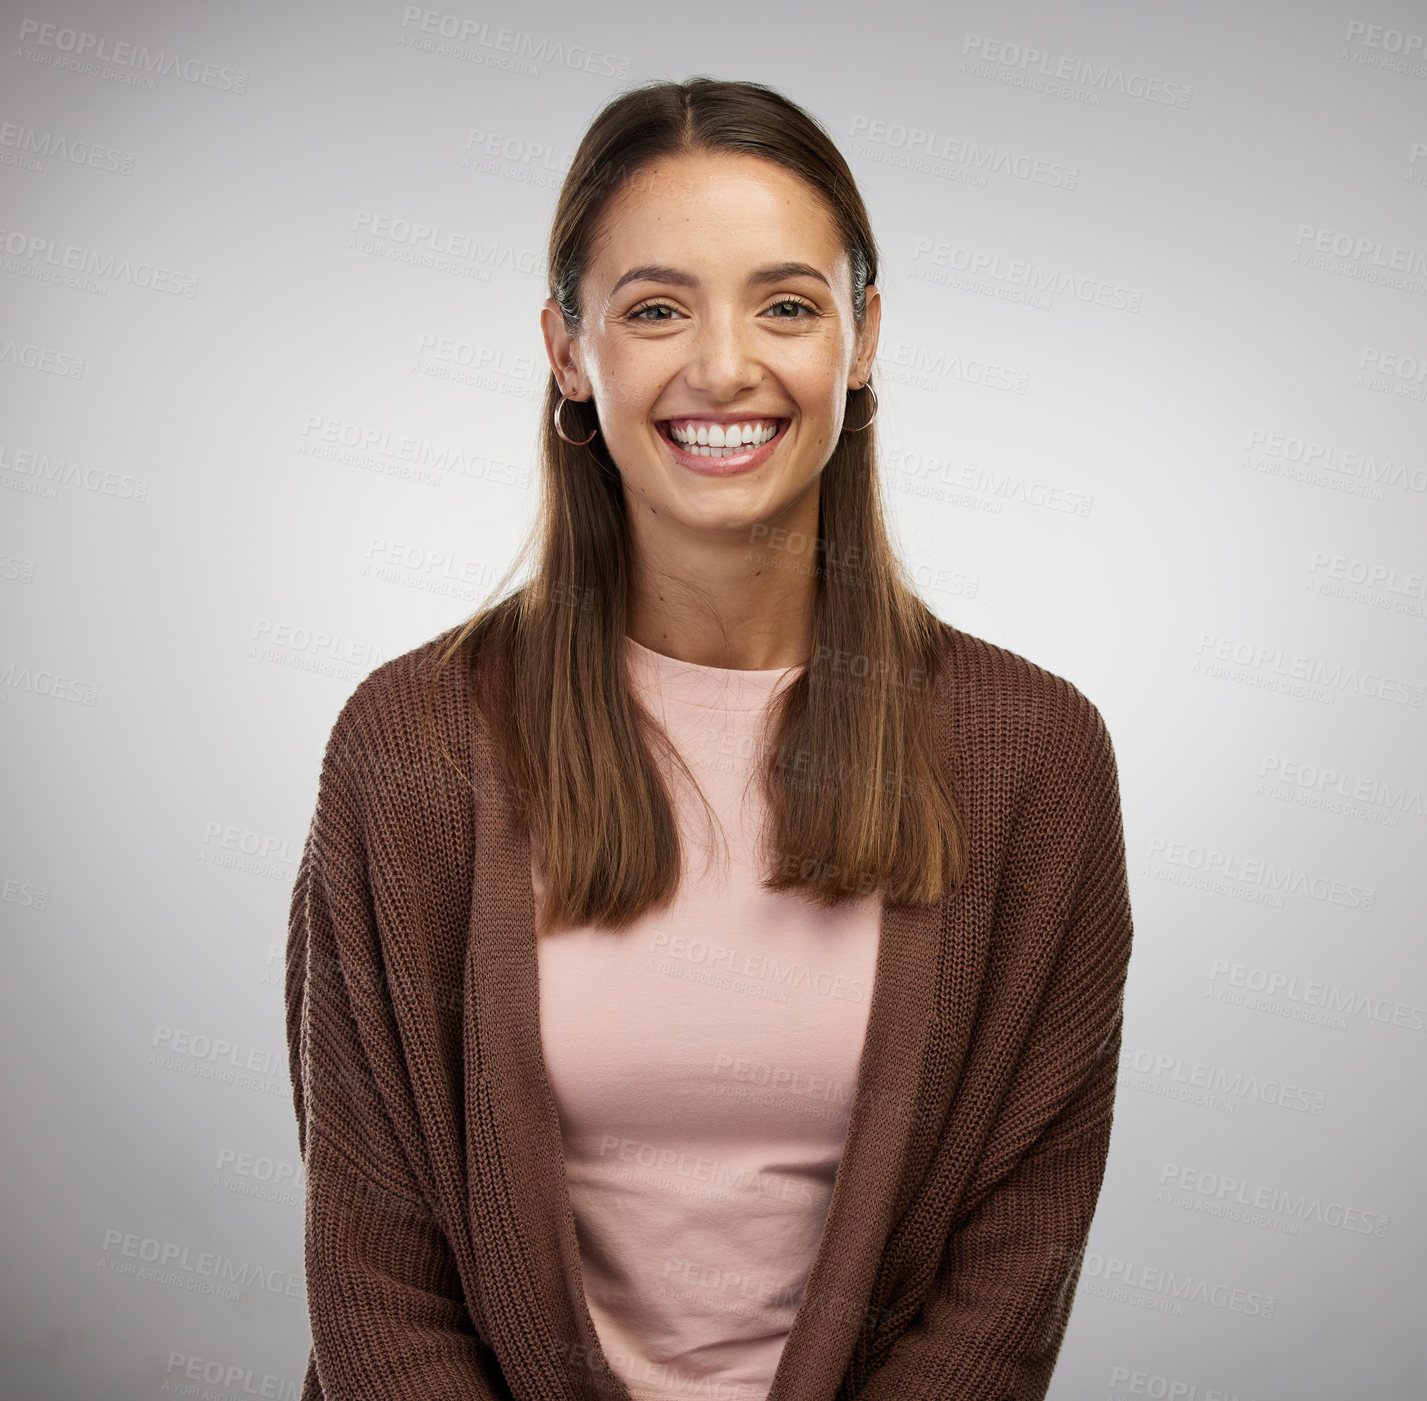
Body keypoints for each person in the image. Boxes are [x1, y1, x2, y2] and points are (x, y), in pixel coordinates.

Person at [285, 77, 1134, 1401]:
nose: (725, 365)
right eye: (657, 308)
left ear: (861, 339)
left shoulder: (1035, 759)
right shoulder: (412, 742)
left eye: (787, 304)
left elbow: (1009, 1269)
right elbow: (375, 1262)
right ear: (571, 350)